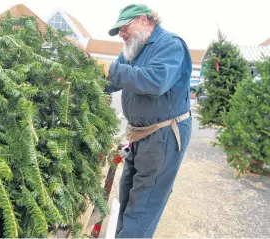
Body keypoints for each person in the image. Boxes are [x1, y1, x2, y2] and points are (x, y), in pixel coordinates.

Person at [105, 4, 193, 238]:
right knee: (128, 195)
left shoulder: (171, 45)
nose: (122, 34)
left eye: (124, 28)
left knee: (143, 205)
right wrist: (82, 69)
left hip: (162, 137)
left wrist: (109, 71)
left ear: (143, 20)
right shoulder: (132, 49)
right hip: (139, 135)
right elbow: (112, 80)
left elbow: (155, 82)